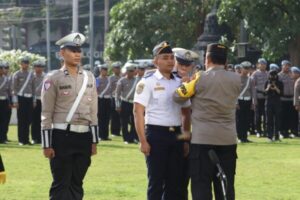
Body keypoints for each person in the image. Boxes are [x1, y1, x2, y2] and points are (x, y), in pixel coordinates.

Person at [174, 43, 241, 200]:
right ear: (225, 61)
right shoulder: (236, 79)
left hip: (203, 140)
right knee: (225, 185)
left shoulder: (200, 77)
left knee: (201, 185)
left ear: (208, 59)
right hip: (228, 139)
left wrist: (185, 83)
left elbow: (178, 96)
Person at [41, 32, 99, 200]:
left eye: (79, 51)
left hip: (84, 137)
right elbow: (46, 113)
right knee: (61, 183)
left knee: (77, 183)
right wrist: (46, 144)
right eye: (72, 50)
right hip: (61, 136)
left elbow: (93, 112)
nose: (77, 54)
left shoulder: (89, 77)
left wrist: (94, 141)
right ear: (62, 53)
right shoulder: (53, 78)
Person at [134, 41, 191, 200]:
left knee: (175, 182)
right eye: (165, 57)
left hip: (177, 135)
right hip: (156, 134)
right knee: (156, 182)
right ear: (155, 61)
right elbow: (138, 112)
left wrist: (185, 138)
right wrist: (142, 140)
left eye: (172, 57)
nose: (170, 61)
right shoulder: (147, 82)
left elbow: (186, 112)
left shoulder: (180, 82)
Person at [172, 47, 199, 200]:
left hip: (188, 134)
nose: (183, 67)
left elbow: (188, 113)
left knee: (184, 178)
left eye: (187, 65)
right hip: (169, 131)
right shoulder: (167, 80)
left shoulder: (194, 82)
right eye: (180, 63)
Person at [12, 56, 35, 145]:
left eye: (27, 63)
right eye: (24, 63)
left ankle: (27, 139)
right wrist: (15, 101)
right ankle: (21, 140)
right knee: (21, 120)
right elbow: (14, 89)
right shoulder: (17, 74)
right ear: (20, 64)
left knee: (28, 120)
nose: (26, 64)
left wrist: (34, 101)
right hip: (20, 98)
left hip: (29, 99)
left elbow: (33, 88)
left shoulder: (31, 74)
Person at [115, 63, 138, 144]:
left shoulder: (137, 80)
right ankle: (126, 139)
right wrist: (118, 105)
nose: (131, 72)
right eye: (129, 71)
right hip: (124, 103)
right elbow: (117, 94)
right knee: (124, 122)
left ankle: (132, 137)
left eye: (132, 71)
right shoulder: (121, 80)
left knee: (134, 121)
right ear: (127, 71)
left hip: (134, 103)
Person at [236, 61, 254, 143]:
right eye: (245, 68)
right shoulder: (237, 78)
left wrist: (253, 103)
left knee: (247, 120)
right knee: (240, 120)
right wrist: (236, 103)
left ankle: (245, 137)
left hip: (248, 100)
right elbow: (235, 91)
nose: (246, 70)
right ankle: (240, 137)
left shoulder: (250, 79)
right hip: (239, 100)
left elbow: (253, 92)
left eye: (248, 69)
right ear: (241, 68)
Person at [278, 60, 298, 138]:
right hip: (283, 99)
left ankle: (293, 131)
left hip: (291, 98)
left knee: (292, 116)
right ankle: (283, 132)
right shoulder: (279, 76)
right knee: (283, 116)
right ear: (282, 66)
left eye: (288, 65)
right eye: (285, 65)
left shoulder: (292, 75)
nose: (287, 67)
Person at [264, 70, 283, 142]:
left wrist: (275, 87)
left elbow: (281, 93)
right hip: (268, 102)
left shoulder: (280, 83)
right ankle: (269, 136)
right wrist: (268, 88)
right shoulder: (267, 82)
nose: (272, 77)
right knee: (269, 120)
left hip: (277, 103)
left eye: (274, 75)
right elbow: (264, 93)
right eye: (271, 75)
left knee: (277, 120)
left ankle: (277, 136)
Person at [251, 58, 268, 137]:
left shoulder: (268, 73)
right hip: (258, 96)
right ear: (258, 65)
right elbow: (253, 87)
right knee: (257, 116)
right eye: (261, 64)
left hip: (266, 97)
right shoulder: (255, 74)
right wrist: (254, 99)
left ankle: (265, 130)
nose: (263, 65)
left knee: (266, 115)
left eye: (264, 64)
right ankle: (258, 131)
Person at [31, 59, 46, 144]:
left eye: (41, 66)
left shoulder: (46, 76)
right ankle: (34, 138)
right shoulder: (31, 76)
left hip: (43, 100)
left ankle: (41, 138)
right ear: (34, 67)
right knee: (34, 120)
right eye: (37, 66)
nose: (39, 68)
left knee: (42, 120)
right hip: (34, 100)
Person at [96, 63, 112, 141]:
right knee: (101, 118)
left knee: (107, 118)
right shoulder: (97, 79)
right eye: (104, 70)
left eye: (106, 70)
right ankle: (100, 135)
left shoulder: (109, 79)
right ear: (100, 70)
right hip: (100, 100)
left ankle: (106, 135)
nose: (105, 71)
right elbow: (95, 90)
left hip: (108, 99)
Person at [110, 61, 122, 136]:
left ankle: (118, 130)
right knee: (114, 115)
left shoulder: (122, 78)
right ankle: (114, 131)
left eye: (119, 68)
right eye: (116, 68)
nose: (118, 69)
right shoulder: (110, 78)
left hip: (121, 98)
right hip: (113, 97)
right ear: (113, 69)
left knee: (120, 115)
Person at [0, 61, 11, 144]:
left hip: (4, 101)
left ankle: (3, 137)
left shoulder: (6, 78)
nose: (1, 70)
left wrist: (10, 102)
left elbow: (9, 91)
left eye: (2, 68)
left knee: (4, 120)